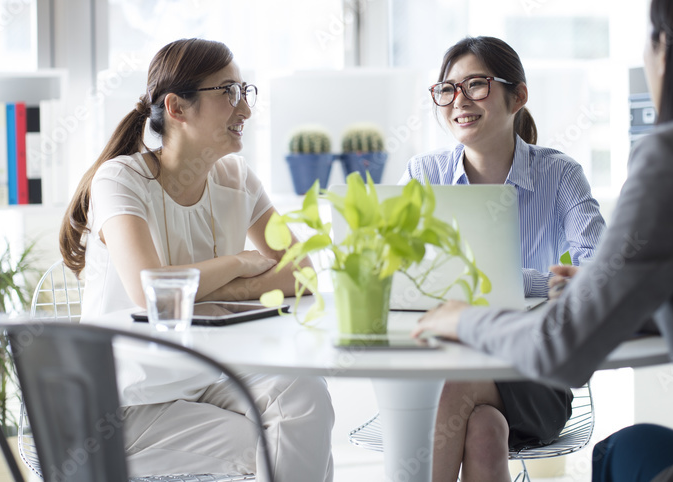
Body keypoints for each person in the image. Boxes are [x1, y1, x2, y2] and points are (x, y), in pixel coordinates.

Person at [413, 0, 673, 482]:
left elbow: (563, 346)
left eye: (652, 37)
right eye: (448, 89)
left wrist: (461, 315)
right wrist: (616, 290)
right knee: (604, 443)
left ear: (672, 47)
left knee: (615, 453)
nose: (459, 100)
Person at [59, 38, 334, 481]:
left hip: (201, 374)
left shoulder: (236, 177)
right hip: (122, 398)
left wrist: (203, 286)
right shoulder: (120, 179)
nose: (244, 109)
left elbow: (302, 273)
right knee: (265, 445)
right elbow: (151, 293)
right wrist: (241, 263)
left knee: (305, 396)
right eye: (228, 92)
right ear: (177, 108)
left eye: (245, 92)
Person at [402, 36, 606, 481]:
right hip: (443, 359)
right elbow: (396, 271)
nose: (459, 101)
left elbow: (602, 273)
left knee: (455, 391)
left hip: (536, 368)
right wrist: (537, 282)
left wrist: (515, 282)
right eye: (447, 89)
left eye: (476, 85)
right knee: (485, 429)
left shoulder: (560, 174)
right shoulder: (425, 174)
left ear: (519, 95)